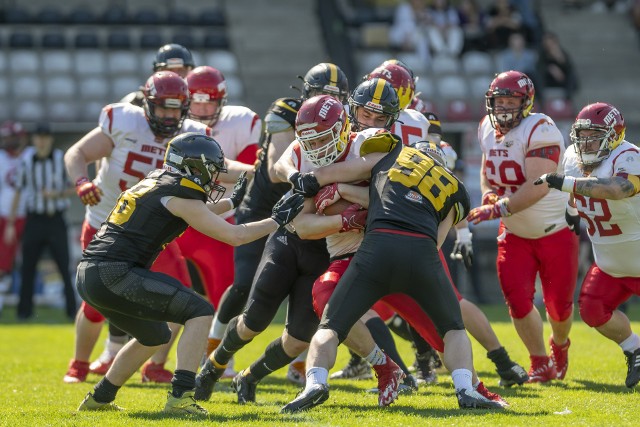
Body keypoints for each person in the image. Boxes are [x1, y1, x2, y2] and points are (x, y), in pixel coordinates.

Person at [75, 132, 305, 415]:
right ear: (194, 166)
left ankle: (99, 398)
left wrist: (233, 202)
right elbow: (235, 236)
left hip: (93, 274)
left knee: (155, 336)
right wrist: (278, 220)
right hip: (114, 273)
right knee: (200, 311)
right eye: (210, 168)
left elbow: (200, 213)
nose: (213, 176)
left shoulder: (160, 181)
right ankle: (181, 396)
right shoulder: (179, 192)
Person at [281, 133, 504, 412]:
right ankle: (465, 388)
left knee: (330, 327)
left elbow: (366, 188)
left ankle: (315, 383)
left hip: (377, 248)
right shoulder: (455, 188)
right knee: (454, 329)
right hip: (422, 252)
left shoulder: (393, 156)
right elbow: (437, 241)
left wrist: (334, 188)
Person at [194, 94, 355, 404]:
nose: (316, 145)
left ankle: (249, 377)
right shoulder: (300, 147)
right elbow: (280, 164)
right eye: (309, 137)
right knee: (253, 319)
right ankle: (212, 368)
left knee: (297, 339)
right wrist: (298, 176)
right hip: (289, 240)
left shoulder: (361, 149)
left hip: (325, 253)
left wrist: (343, 190)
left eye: (323, 136)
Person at [63, 71, 211, 384]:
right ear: (147, 104)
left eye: (176, 109)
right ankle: (78, 363)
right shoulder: (124, 122)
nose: (170, 116)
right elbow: (77, 152)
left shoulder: (190, 134)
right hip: (108, 225)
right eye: (163, 108)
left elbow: (218, 169)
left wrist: (252, 172)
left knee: (180, 298)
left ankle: (155, 365)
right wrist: (82, 181)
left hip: (153, 233)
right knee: (95, 304)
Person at [87, 42, 198, 382]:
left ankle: (152, 365)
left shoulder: (190, 123)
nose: (177, 78)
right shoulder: (125, 113)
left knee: (175, 293)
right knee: (98, 296)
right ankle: (94, 360)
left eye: (183, 73)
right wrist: (88, 182)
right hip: (115, 217)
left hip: (157, 220)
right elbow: (95, 152)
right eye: (170, 70)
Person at [467, 70, 579, 383]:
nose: (503, 107)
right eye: (498, 101)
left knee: (558, 309)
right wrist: (489, 192)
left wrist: (499, 207)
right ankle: (539, 361)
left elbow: (539, 184)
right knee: (517, 301)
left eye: (510, 100)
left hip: (554, 230)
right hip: (514, 233)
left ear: (526, 102)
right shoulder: (486, 128)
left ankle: (559, 344)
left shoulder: (540, 127)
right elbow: (487, 168)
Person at [535, 102, 640, 388]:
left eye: (594, 135)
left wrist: (567, 185)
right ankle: (635, 349)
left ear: (615, 135)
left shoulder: (629, 156)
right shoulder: (572, 157)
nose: (585, 142)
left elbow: (617, 190)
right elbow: (579, 191)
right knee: (592, 309)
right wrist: (571, 210)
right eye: (581, 136)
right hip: (609, 264)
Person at [176, 65, 259, 317]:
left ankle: (218, 355)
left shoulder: (242, 121)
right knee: (167, 300)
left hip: (218, 219)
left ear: (221, 102)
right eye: (196, 103)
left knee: (225, 296)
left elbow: (246, 171)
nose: (201, 111)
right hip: (177, 219)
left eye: (208, 103)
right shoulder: (173, 125)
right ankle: (154, 358)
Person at [6, 123, 76, 320]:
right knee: (28, 267)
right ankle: (24, 313)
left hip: (56, 219)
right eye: (39, 137)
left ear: (50, 139)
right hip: (34, 219)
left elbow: (76, 187)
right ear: (34, 140)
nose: (42, 141)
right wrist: (11, 224)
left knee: (64, 266)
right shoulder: (26, 161)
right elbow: (18, 192)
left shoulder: (60, 159)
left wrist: (57, 194)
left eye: (45, 137)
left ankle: (72, 311)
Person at [0, 121, 32, 314]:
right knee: (3, 263)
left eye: (11, 137)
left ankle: (25, 306)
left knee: (29, 262)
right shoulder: (2, 157)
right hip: (5, 215)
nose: (8, 141)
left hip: (30, 215)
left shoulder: (31, 156)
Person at [120, 43, 195, 107]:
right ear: (156, 72)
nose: (175, 75)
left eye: (181, 70)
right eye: (169, 70)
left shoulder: (199, 100)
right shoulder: (136, 102)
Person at [537, 32, 579, 101]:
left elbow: (569, 69)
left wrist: (561, 60)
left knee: (572, 76)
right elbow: (539, 68)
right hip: (547, 80)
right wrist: (551, 69)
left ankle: (568, 97)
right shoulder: (542, 54)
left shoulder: (562, 53)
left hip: (560, 80)